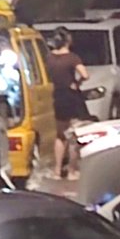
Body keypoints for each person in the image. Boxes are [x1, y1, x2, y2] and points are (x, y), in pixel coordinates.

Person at [47, 31, 89, 177]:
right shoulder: (72, 58)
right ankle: (72, 170)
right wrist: (77, 83)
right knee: (74, 135)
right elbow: (85, 75)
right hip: (71, 97)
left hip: (57, 96)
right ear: (68, 41)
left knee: (60, 135)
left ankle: (57, 170)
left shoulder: (49, 58)